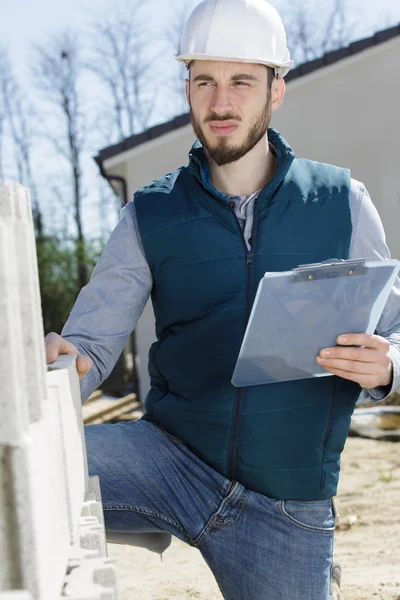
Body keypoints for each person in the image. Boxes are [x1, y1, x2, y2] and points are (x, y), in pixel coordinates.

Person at [45, 0, 400, 598]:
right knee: (25, 474)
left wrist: (388, 365)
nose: (220, 102)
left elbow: (395, 324)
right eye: (204, 81)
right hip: (170, 461)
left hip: (285, 500)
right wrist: (57, 373)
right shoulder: (150, 213)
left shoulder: (341, 202)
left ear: (276, 90)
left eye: (241, 81)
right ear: (187, 87)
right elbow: (88, 346)